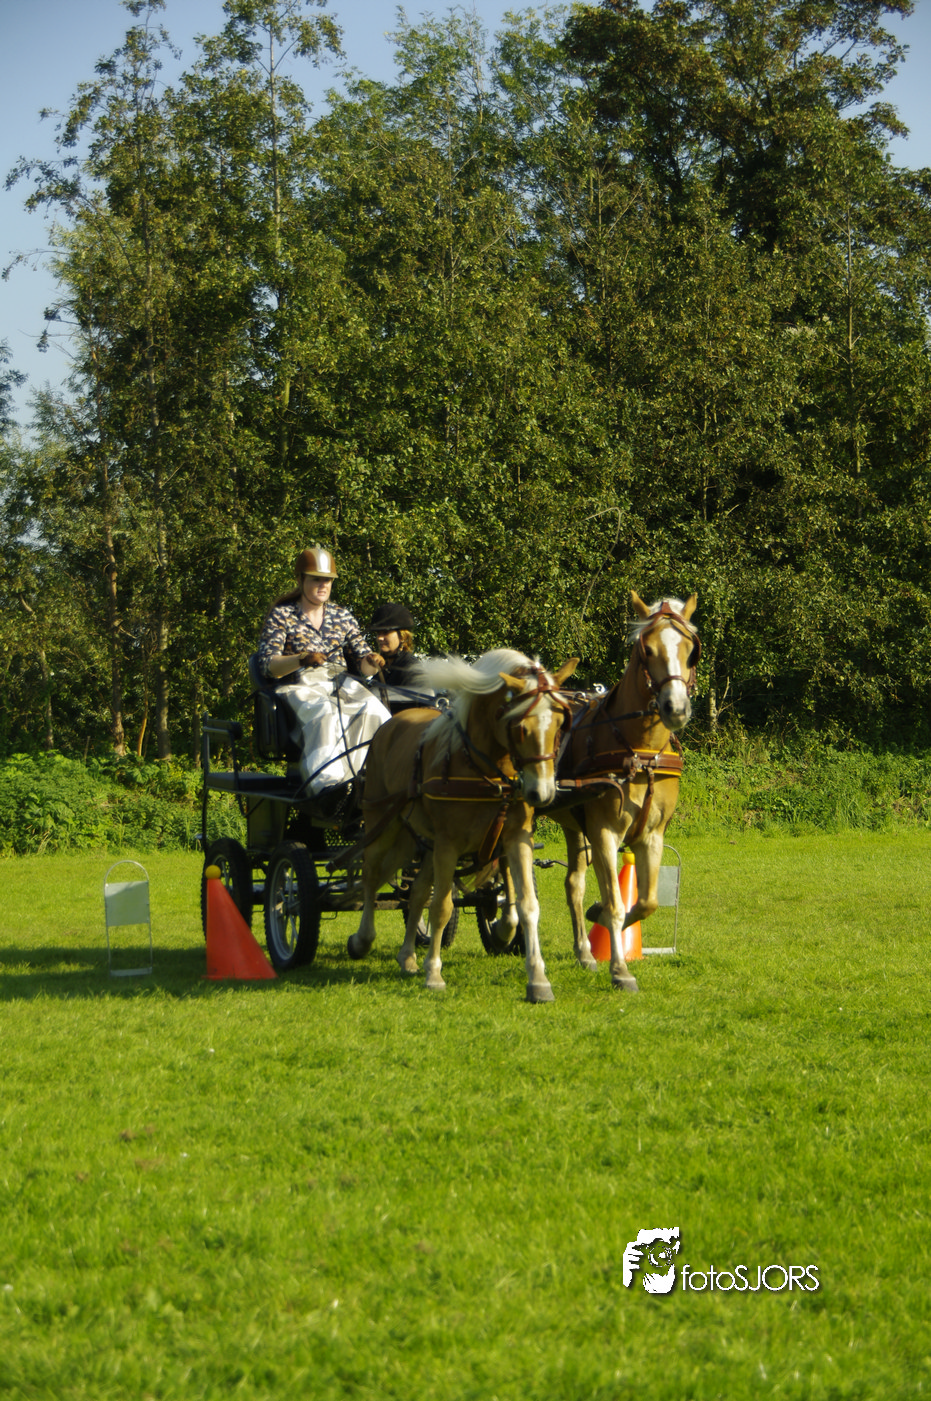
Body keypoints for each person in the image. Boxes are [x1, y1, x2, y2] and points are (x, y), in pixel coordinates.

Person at [256, 546, 390, 795]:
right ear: (301, 580)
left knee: (375, 709)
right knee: (325, 712)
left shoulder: (342, 616)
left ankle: (368, 777)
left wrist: (372, 661)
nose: (323, 585)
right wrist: (301, 659)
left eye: (327, 580)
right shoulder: (282, 615)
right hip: (299, 685)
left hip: (340, 683)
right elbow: (267, 665)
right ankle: (325, 786)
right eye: (316, 579)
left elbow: (363, 664)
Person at [369, 603, 421, 687]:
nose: (379, 638)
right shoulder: (383, 667)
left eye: (385, 632)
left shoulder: (411, 668)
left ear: (402, 636)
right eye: (378, 633)